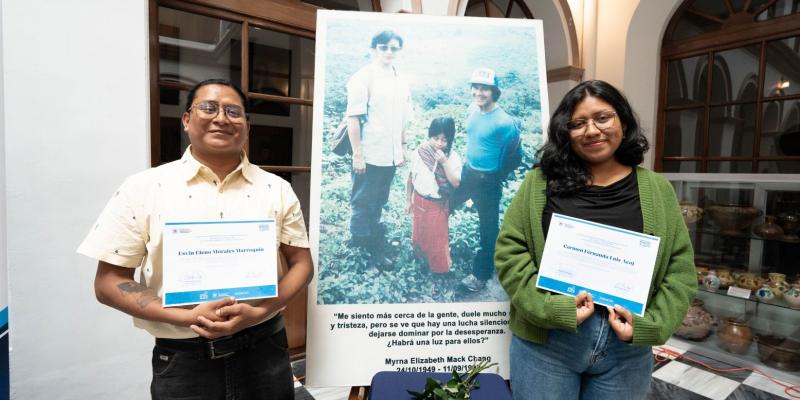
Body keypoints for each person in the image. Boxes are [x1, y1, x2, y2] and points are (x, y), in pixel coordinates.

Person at [78, 79, 313, 400]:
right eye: (209, 107)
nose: (221, 118)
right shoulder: (144, 188)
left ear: (247, 126)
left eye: (234, 111)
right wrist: (187, 317)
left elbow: (302, 264)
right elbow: (109, 282)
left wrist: (258, 313)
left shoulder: (276, 188)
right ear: (187, 119)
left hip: (265, 349)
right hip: (184, 359)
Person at [495, 80, 697, 400]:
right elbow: (510, 253)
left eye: (603, 117)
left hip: (625, 352)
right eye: (578, 123)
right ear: (565, 131)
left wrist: (653, 324)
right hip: (548, 343)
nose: (592, 130)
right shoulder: (539, 183)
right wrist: (548, 308)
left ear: (624, 122)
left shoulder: (658, 190)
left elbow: (680, 268)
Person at [346, 30, 414, 270]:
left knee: (379, 200)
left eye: (394, 48)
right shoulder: (363, 77)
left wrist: (403, 148)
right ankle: (362, 246)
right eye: (383, 47)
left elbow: (404, 118)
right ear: (374, 48)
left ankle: (371, 236)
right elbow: (353, 119)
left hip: (391, 155)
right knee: (363, 200)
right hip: (370, 153)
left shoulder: (401, 78)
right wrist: (358, 154)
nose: (388, 52)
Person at [452, 67, 520, 292]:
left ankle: (481, 274)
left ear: (494, 92)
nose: (479, 92)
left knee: (487, 228)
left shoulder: (504, 122)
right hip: (467, 172)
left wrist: (496, 176)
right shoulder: (472, 110)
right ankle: (439, 251)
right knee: (445, 204)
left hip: (487, 181)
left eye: (485, 89)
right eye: (476, 87)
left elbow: (515, 156)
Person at [405, 117, 462, 296]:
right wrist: (408, 200)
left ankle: (440, 274)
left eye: (444, 139)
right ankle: (421, 262)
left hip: (438, 204)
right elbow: (410, 177)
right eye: (435, 138)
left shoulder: (452, 157)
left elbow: (456, 182)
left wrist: (444, 162)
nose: (439, 143)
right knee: (419, 234)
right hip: (419, 200)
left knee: (437, 241)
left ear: (450, 140)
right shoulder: (420, 152)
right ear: (429, 136)